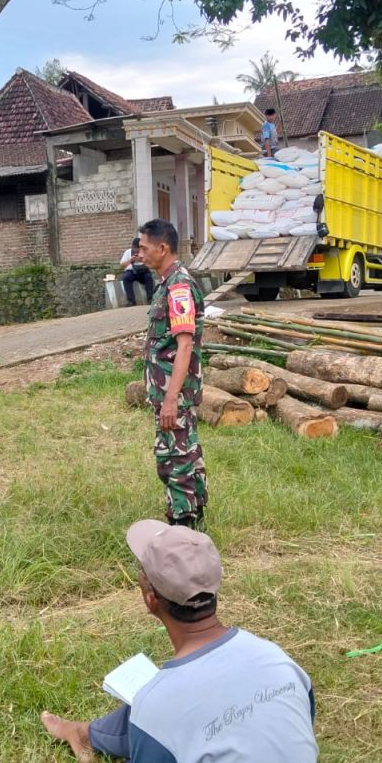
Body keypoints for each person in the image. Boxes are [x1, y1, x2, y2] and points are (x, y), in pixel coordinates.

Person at [29, 520, 323, 763]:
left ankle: (88, 737)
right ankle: (86, 733)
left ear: (150, 599)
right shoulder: (277, 660)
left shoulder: (160, 707)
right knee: (152, 712)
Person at [138, 218, 207, 529]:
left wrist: (170, 398)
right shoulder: (167, 283)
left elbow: (184, 344)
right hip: (170, 391)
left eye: (144, 248)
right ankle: (195, 518)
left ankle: (182, 528)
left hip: (173, 393)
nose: (140, 254)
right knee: (185, 453)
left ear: (162, 248)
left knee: (174, 461)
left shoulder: (178, 287)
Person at [118, 236, 155, 307]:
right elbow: (121, 265)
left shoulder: (145, 252)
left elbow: (151, 264)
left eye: (139, 248)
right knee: (126, 278)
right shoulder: (128, 252)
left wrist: (142, 260)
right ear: (132, 247)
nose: (137, 250)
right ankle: (131, 301)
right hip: (131, 272)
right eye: (135, 248)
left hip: (143, 271)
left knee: (148, 278)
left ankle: (150, 299)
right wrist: (130, 260)